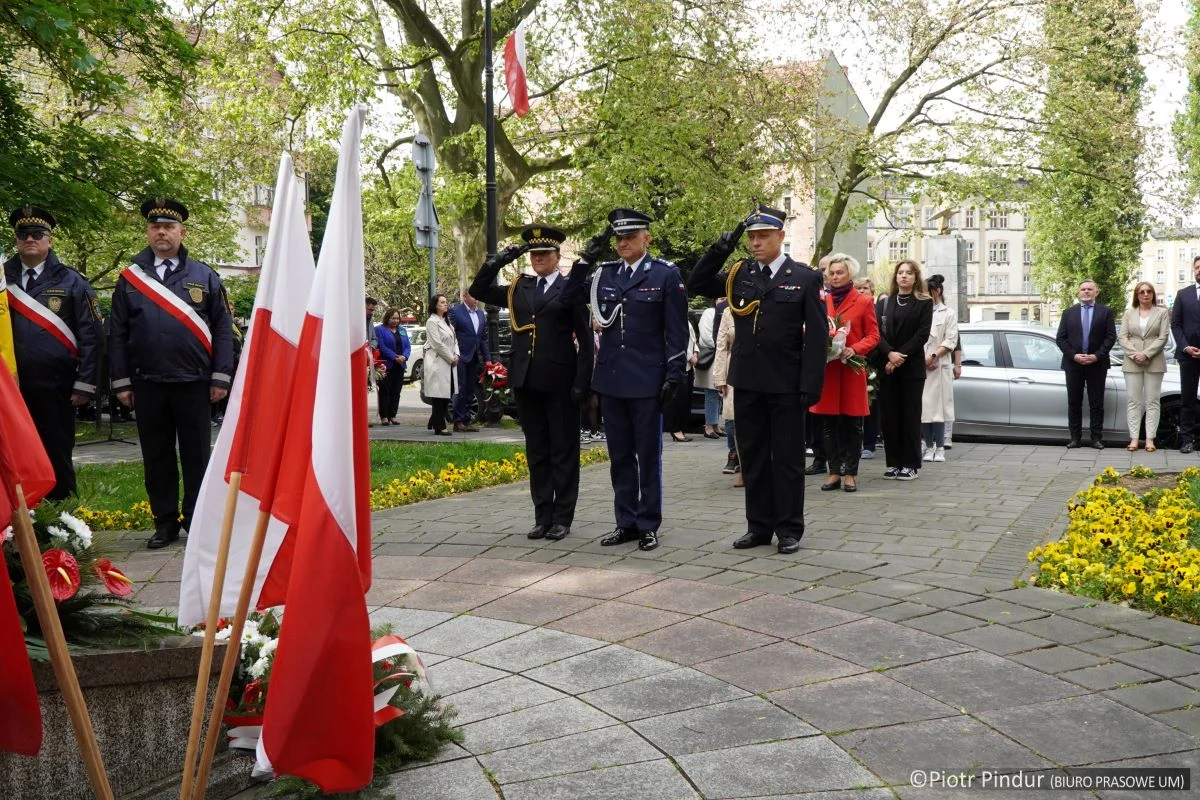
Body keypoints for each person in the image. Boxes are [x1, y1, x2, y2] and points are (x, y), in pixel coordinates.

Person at [688, 205, 826, 554]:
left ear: (781, 236)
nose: (755, 242)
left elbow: (818, 337)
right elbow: (697, 282)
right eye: (751, 237)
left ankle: (790, 529)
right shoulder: (739, 274)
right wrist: (720, 248)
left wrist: (811, 385)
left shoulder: (805, 277)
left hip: (787, 382)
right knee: (753, 458)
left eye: (762, 235)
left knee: (789, 459)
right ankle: (759, 527)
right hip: (748, 380)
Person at [109, 198, 235, 548]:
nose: (161, 232)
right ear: (148, 233)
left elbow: (223, 329)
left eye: (168, 227)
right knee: (157, 457)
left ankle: (196, 519)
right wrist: (120, 382)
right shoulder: (130, 278)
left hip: (194, 382)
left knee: (196, 454)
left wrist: (220, 377)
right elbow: (116, 333)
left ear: (182, 232)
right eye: (154, 227)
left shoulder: (203, 275)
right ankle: (164, 522)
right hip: (147, 382)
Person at [469, 224, 594, 541]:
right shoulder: (518, 288)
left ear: (556, 256)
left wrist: (583, 382)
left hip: (561, 382)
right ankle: (543, 516)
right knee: (537, 452)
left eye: (544, 253)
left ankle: (562, 517)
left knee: (563, 451)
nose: (538, 258)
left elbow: (586, 340)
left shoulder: (570, 288)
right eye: (533, 254)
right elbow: (480, 290)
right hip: (526, 381)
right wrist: (497, 261)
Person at [583, 208, 688, 552]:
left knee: (648, 456)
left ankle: (648, 523)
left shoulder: (665, 275)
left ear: (647, 238)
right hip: (612, 379)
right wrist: (587, 254)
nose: (623, 243)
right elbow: (572, 294)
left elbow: (675, 333)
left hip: (647, 380)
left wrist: (674, 376)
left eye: (630, 236)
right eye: (619, 238)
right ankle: (624, 521)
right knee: (619, 456)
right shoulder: (604, 275)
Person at [4, 205, 102, 500]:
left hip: (56, 385)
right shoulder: (1, 277)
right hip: (10, 387)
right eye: (23, 234)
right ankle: (20, 524)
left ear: (50, 240)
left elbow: (92, 335)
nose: (30, 239)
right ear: (16, 239)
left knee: (56, 451)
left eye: (37, 234)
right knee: (14, 457)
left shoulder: (72, 280)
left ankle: (64, 524)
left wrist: (85, 384)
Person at [809, 254, 878, 493]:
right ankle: (833, 472)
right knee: (828, 424)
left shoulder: (863, 301)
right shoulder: (820, 299)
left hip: (851, 368)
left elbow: (873, 336)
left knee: (852, 425)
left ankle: (850, 473)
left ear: (850, 274)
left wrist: (853, 348)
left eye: (839, 272)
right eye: (831, 272)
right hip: (828, 370)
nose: (835, 276)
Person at [875, 260, 933, 481]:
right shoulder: (885, 303)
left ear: (916, 277)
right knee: (889, 418)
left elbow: (922, 335)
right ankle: (893, 463)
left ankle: (910, 464)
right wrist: (889, 353)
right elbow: (876, 333)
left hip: (911, 368)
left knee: (910, 416)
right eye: (900, 273)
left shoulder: (924, 303)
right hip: (887, 367)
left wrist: (899, 357)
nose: (904, 276)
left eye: (909, 273)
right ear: (895, 277)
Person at [1055, 278, 1116, 449]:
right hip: (1074, 364)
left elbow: (1110, 337)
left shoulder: (1106, 312)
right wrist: (1074, 356)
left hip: (1097, 364)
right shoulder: (1068, 313)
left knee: (1096, 402)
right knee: (1074, 402)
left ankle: (1096, 438)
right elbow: (1061, 338)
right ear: (1078, 292)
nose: (1086, 292)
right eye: (1083, 289)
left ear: (1096, 292)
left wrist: (1096, 356)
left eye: (1090, 289)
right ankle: (1075, 438)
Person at [1120, 281, 1169, 452]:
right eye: (1142, 292)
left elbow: (1163, 337)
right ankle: (1134, 439)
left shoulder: (1162, 313)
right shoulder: (1128, 313)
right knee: (1133, 401)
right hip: (1132, 362)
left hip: (1154, 361)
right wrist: (1135, 355)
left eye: (1149, 291)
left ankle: (1149, 439)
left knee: (1152, 401)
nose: (1146, 294)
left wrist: (1146, 354)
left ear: (1153, 294)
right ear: (1137, 295)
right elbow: (1123, 338)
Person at [920, 274, 959, 463]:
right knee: (925, 409)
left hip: (939, 365)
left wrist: (934, 355)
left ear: (937, 292)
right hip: (922, 366)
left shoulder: (948, 313)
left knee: (940, 410)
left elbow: (951, 339)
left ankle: (940, 447)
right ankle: (928, 446)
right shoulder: (920, 311)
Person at [448, 290, 491, 432]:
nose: (475, 299)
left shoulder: (480, 313)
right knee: (460, 388)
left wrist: (487, 359)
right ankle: (458, 421)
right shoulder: (456, 312)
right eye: (473, 296)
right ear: (465, 296)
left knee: (470, 389)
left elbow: (483, 338)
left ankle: (466, 420)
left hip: (474, 357)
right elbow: (450, 334)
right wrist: (452, 354)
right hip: (459, 356)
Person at [711, 303, 743, 486]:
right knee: (734, 420)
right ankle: (742, 465)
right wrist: (720, 378)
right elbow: (721, 345)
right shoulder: (728, 311)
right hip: (734, 368)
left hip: (762, 367)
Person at [1171, 256, 1200, 453]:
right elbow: (1176, 324)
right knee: (1187, 400)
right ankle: (1187, 440)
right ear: (1193, 270)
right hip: (1188, 355)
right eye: (1197, 267)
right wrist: (1185, 346)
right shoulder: (1183, 294)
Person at [423, 294, 458, 436]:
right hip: (438, 361)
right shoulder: (432, 322)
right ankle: (440, 425)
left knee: (447, 392)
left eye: (446, 302)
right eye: (442, 302)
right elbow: (437, 343)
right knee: (439, 395)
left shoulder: (446, 321)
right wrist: (451, 357)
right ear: (435, 305)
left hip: (449, 361)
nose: (445, 304)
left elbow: (454, 340)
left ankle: (434, 419)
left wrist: (456, 354)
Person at [854, 277, 880, 460]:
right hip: (854, 360)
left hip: (873, 362)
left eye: (865, 288)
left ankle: (869, 444)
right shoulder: (854, 309)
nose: (861, 291)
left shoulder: (877, 310)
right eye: (858, 288)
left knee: (872, 406)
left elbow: (879, 336)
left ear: (872, 291)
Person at [695, 299, 726, 439]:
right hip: (712, 356)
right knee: (711, 393)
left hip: (720, 357)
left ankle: (716, 425)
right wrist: (721, 345)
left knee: (719, 393)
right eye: (720, 298)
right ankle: (709, 426)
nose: (723, 300)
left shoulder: (724, 312)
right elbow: (707, 336)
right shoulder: (709, 312)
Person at [375, 307, 411, 425]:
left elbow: (407, 346)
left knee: (396, 391)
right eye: (393, 318)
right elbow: (382, 346)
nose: (395, 321)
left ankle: (393, 415)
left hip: (400, 365)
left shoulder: (402, 330)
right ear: (387, 318)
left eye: (397, 318)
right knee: (385, 390)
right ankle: (384, 416)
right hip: (387, 364)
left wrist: (404, 357)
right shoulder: (380, 329)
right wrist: (395, 357)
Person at [665, 316, 699, 442]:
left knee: (686, 399)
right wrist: (691, 356)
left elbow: (693, 340)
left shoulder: (687, 320)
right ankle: (676, 429)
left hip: (689, 366)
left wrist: (695, 352)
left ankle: (682, 428)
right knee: (677, 399)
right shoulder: (673, 319)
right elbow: (677, 341)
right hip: (679, 364)